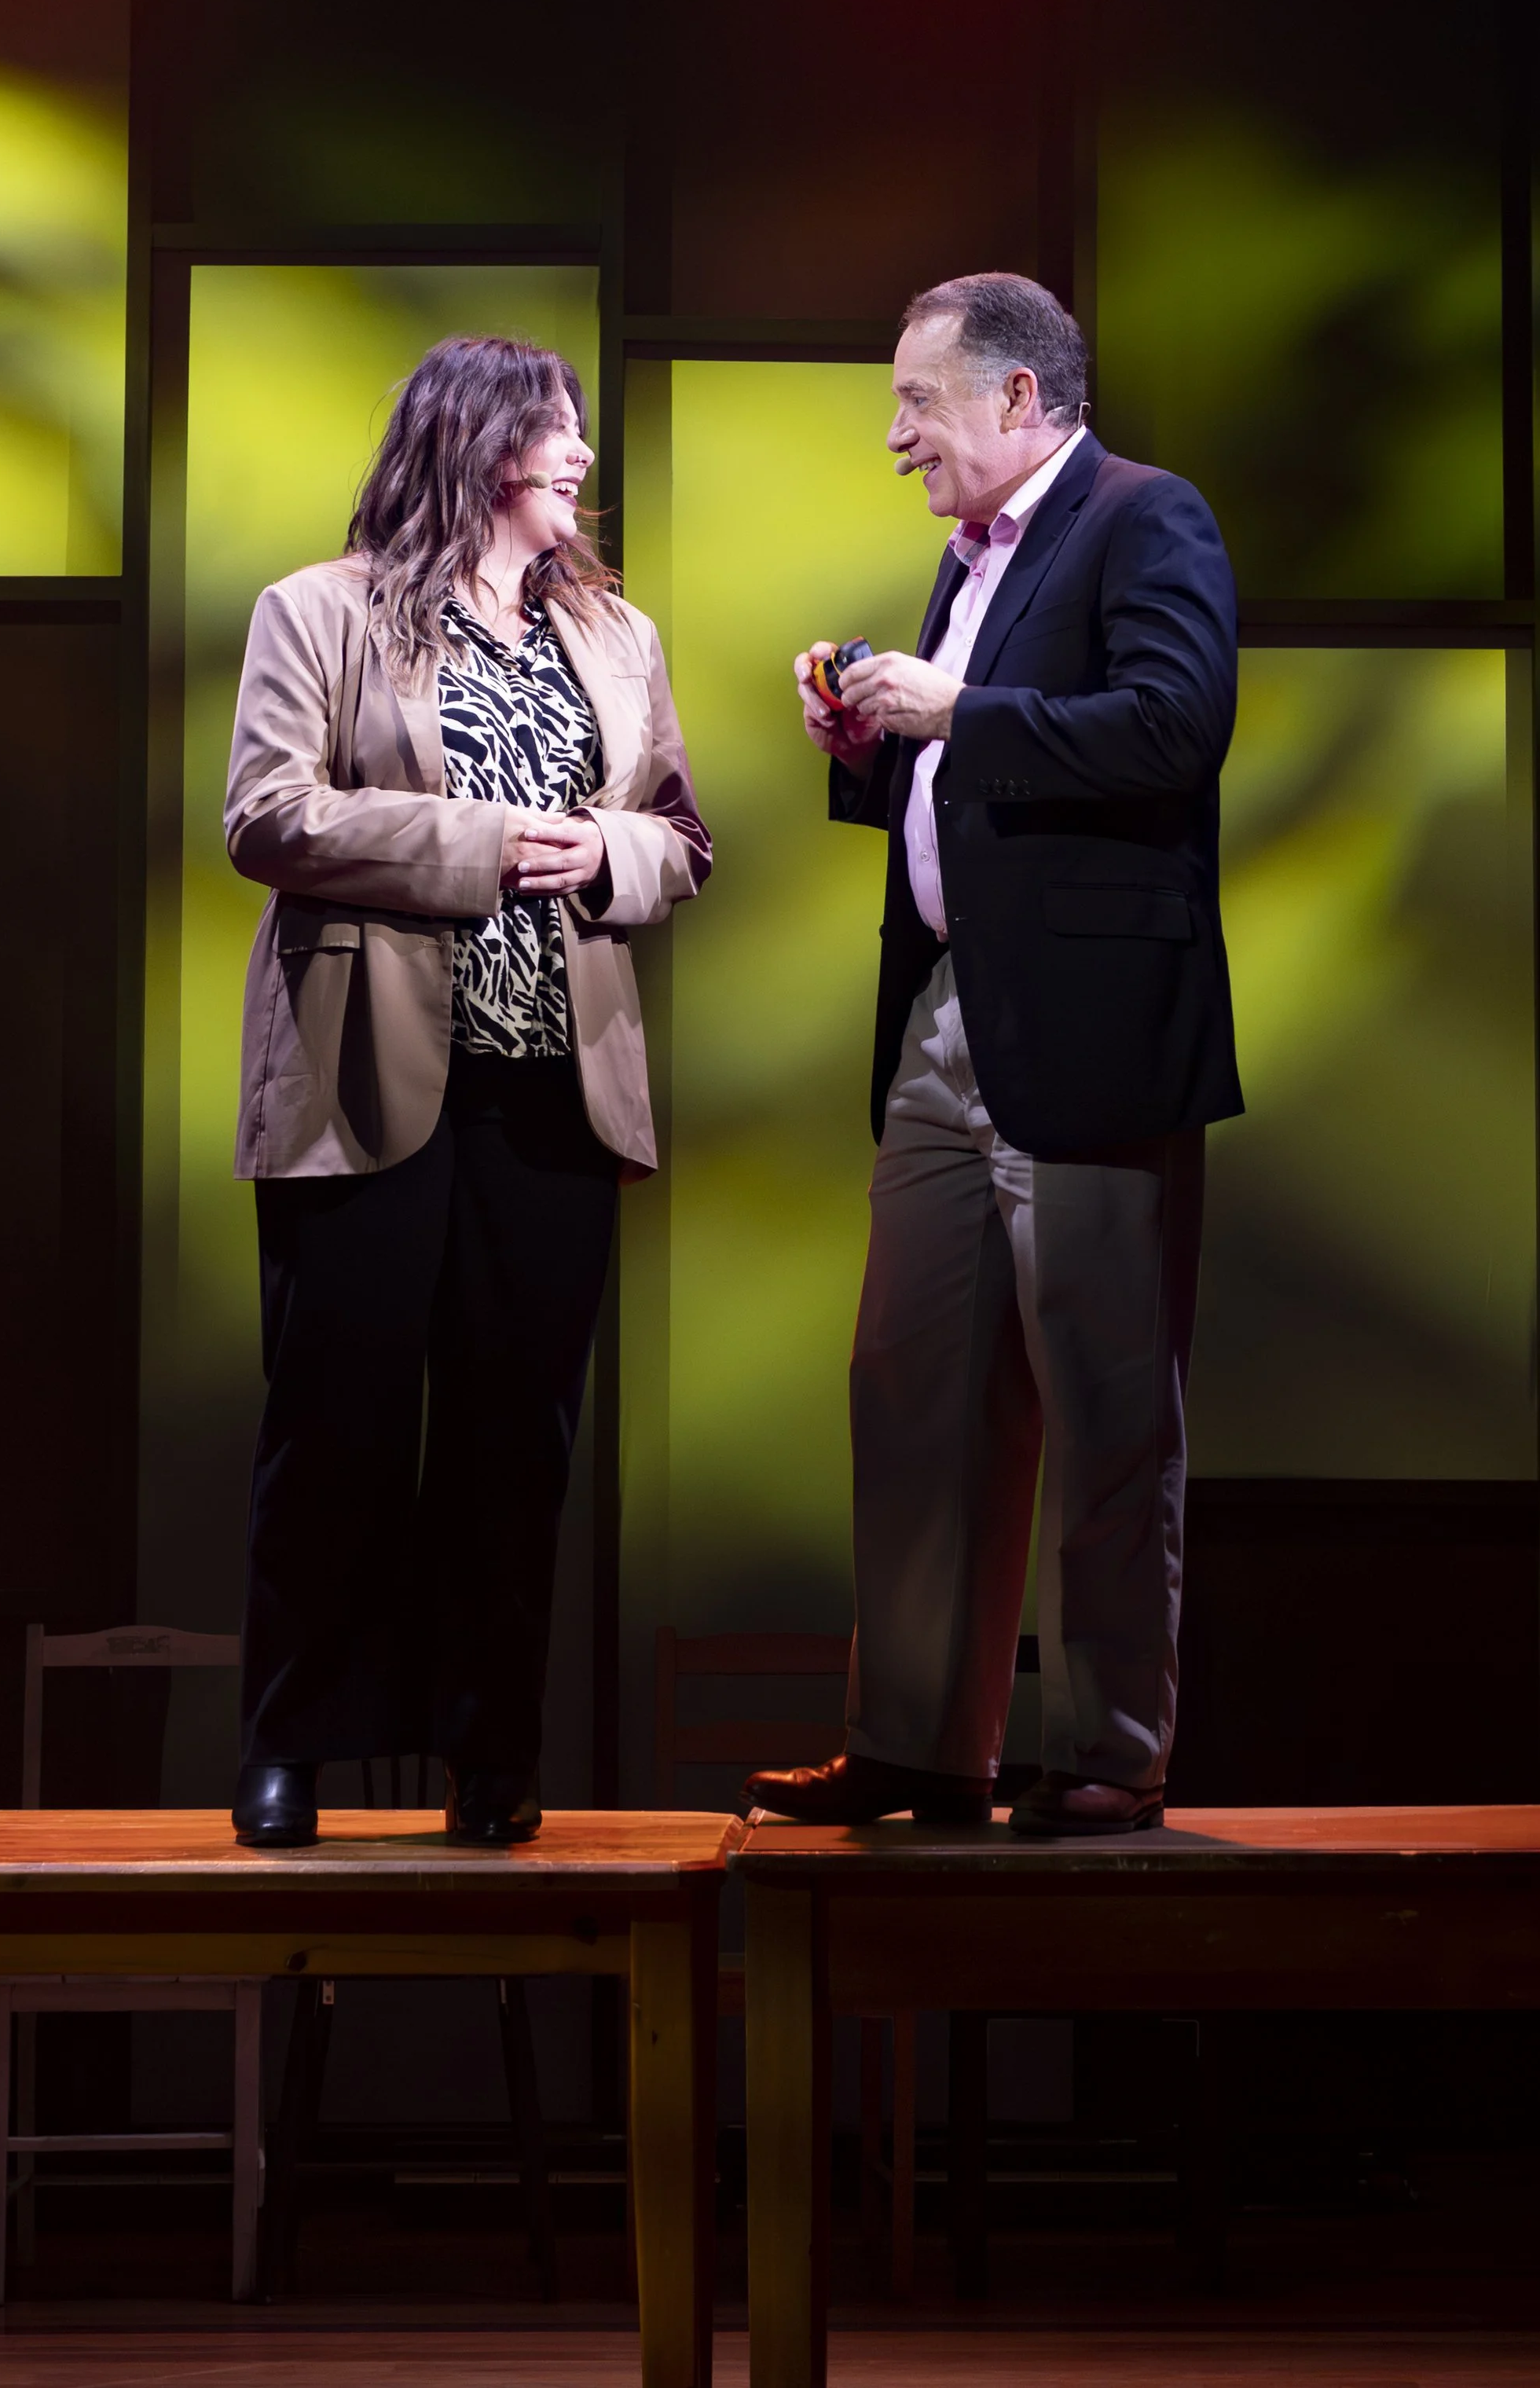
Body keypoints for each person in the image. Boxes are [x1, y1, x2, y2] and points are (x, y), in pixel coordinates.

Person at [743, 273, 1241, 1838]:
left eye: (917, 401)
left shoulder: (1144, 520)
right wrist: (874, 745)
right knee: (908, 1390)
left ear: (1017, 401)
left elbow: (1174, 723)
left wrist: (957, 703)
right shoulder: (963, 562)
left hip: (1088, 1033)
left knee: (1102, 1398)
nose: (895, 434)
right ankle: (913, 1742)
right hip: (944, 1017)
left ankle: (1108, 1749)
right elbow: (972, 777)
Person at [224, 335, 710, 1848]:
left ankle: (493, 1750)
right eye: (560, 432)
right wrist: (490, 841)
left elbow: (682, 837)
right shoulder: (320, 610)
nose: (581, 456)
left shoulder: (618, 635)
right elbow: (267, 814)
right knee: (337, 1423)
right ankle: (293, 1743)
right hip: (363, 1079)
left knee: (521, 1440)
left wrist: (606, 856)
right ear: (486, 444)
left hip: (555, 1096)